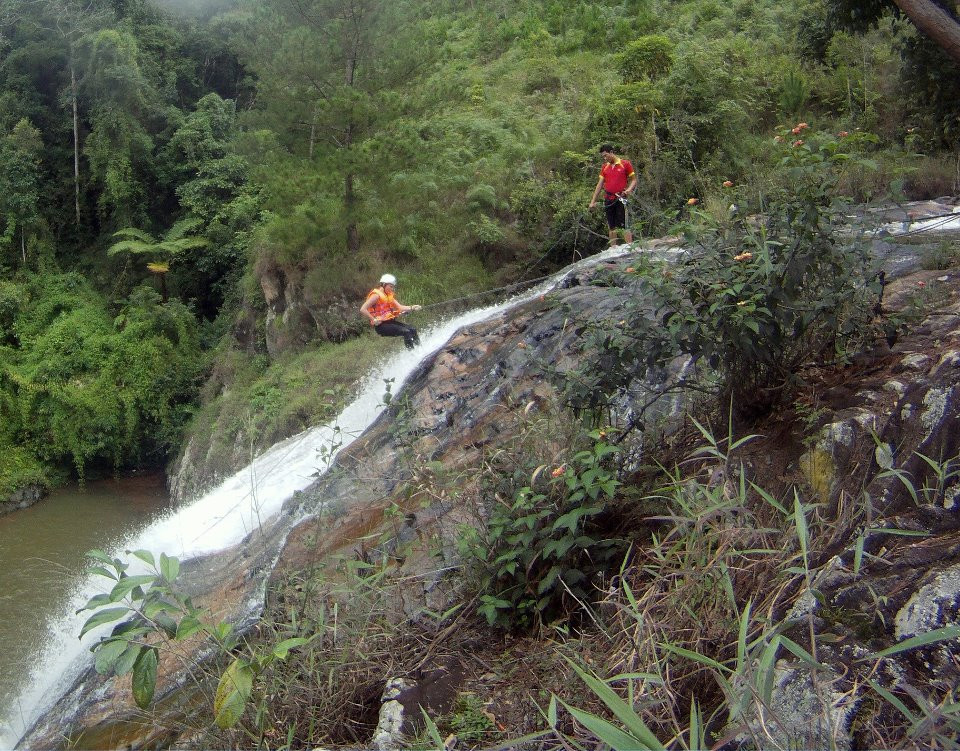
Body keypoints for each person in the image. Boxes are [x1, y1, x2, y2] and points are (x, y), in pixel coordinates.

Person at [588, 144, 637, 246]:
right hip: (608, 199)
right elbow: (599, 184)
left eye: (606, 155)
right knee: (611, 226)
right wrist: (592, 201)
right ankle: (613, 250)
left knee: (624, 225)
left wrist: (628, 190)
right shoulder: (605, 167)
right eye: (603, 157)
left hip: (621, 198)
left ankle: (631, 248)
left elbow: (633, 180)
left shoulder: (625, 164)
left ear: (611, 152)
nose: (605, 158)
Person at [360, 273, 422, 349]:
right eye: (390, 286)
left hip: (390, 322)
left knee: (413, 329)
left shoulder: (388, 295)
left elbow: (400, 307)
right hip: (381, 326)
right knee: (406, 332)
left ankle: (420, 349)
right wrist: (373, 319)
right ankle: (412, 354)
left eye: (393, 287)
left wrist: (412, 307)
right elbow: (363, 309)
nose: (392, 289)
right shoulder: (376, 295)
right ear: (383, 284)